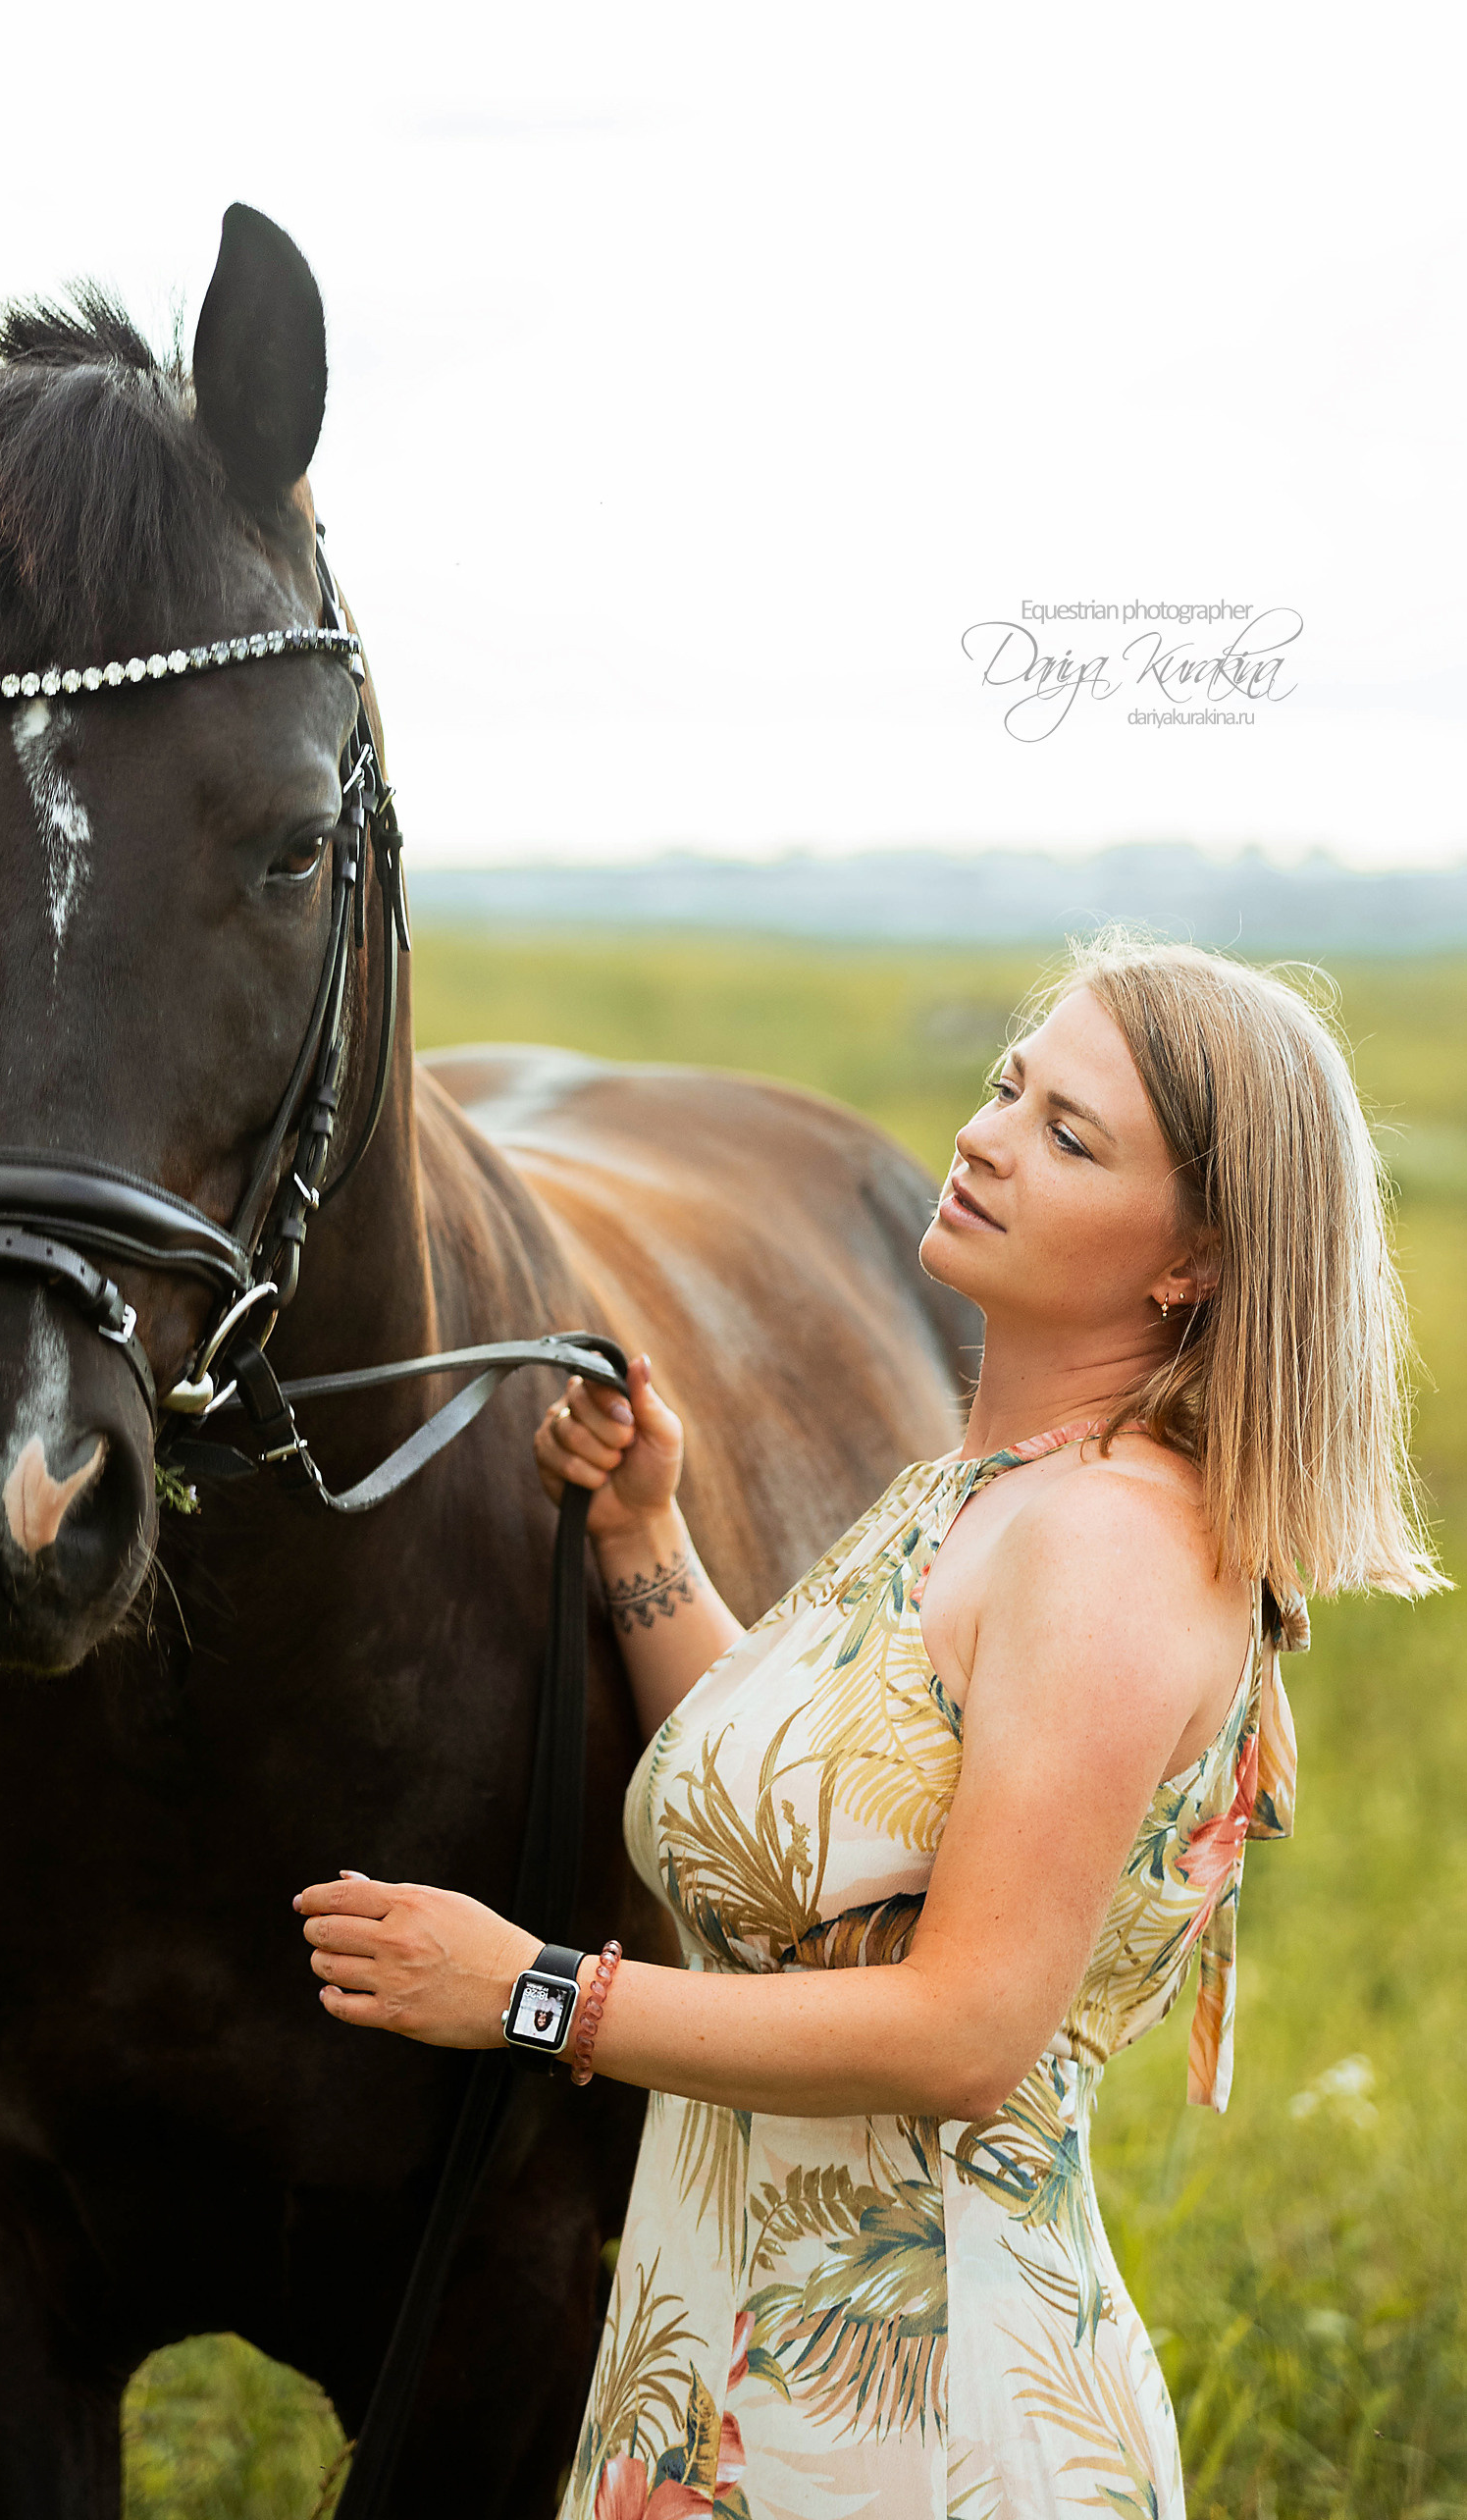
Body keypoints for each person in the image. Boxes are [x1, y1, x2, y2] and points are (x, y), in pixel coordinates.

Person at [293, 930, 1441, 2514]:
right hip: (740, 2385)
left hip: (925, 2423)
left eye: (1068, 1134)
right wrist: (646, 1541)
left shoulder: (1111, 1549)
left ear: (1195, 1260)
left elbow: (966, 2032)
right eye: (1006, 1088)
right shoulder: (973, 1497)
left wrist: (533, 1994)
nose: (981, 1137)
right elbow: (801, 1822)